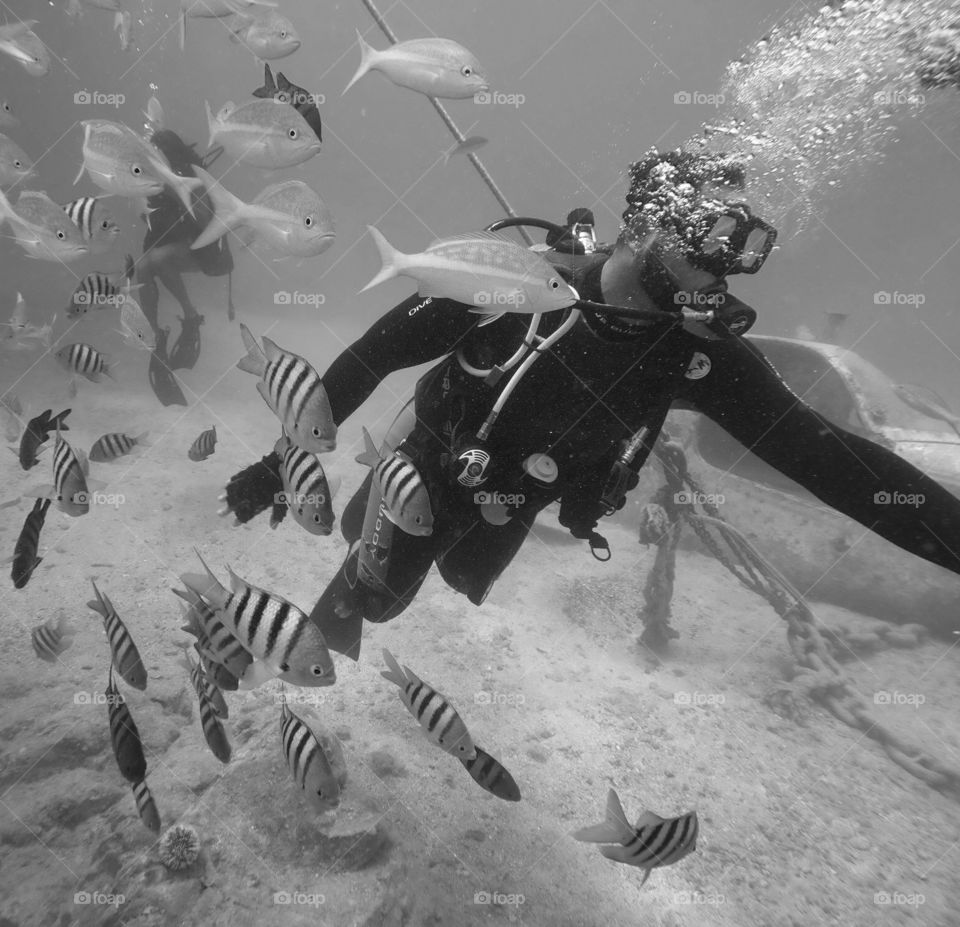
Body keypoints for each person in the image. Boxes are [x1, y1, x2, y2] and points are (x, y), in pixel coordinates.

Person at [220, 148, 960, 660]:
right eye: (706, 245)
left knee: (466, 574)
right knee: (376, 594)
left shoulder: (691, 352)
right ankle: (333, 577)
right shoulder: (514, 290)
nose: (718, 273)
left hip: (525, 499)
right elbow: (371, 356)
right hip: (439, 465)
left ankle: (376, 533)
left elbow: (831, 460)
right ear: (645, 228)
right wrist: (281, 464)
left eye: (732, 254)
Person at [137, 128, 236, 373]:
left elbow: (206, 222)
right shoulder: (154, 180)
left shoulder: (192, 177)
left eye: (156, 155)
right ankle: (155, 335)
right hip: (181, 246)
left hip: (208, 251)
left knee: (158, 259)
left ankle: (191, 318)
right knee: (142, 267)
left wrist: (177, 191)